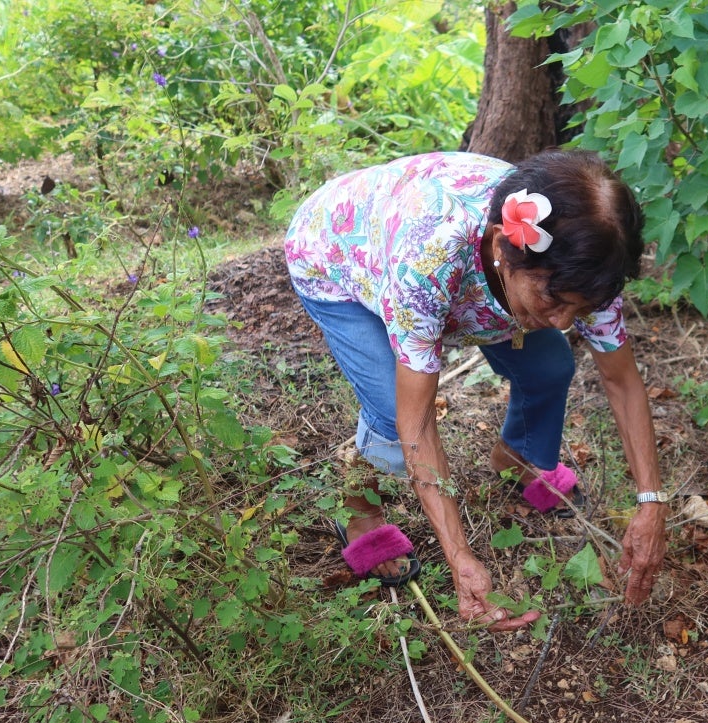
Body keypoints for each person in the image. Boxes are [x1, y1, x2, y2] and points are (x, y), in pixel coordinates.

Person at [284, 149, 668, 632]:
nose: (565, 322)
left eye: (582, 308)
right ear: (503, 245)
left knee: (550, 364)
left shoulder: (586, 261)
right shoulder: (429, 257)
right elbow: (417, 421)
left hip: (465, 278)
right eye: (554, 300)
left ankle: (516, 457)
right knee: (388, 407)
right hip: (340, 260)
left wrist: (652, 500)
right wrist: (459, 555)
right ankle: (360, 509)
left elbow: (622, 381)